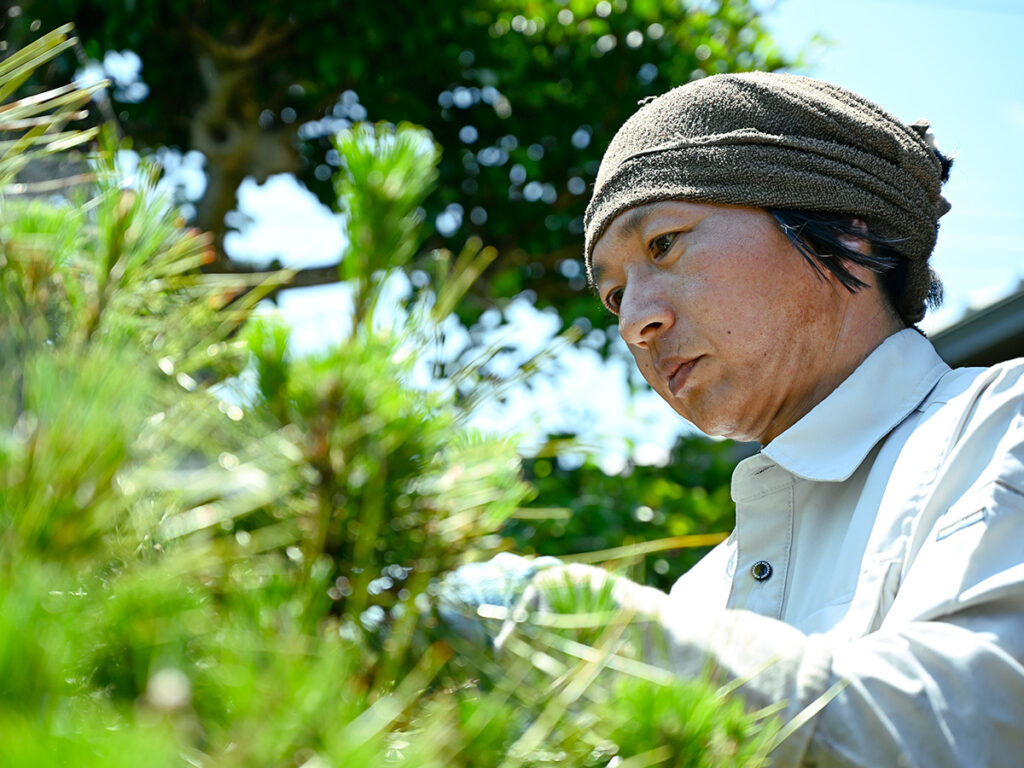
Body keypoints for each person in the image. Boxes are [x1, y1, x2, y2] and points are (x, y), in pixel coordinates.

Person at [442, 72, 1024, 767]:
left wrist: (592, 633)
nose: (634, 323)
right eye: (614, 294)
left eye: (663, 244)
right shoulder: (697, 599)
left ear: (843, 224)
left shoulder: (997, 429)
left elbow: (962, 728)